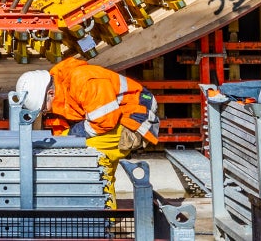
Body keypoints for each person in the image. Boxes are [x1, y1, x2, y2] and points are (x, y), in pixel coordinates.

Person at [15, 59, 160, 201]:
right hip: (114, 117)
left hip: (135, 114)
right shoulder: (61, 90)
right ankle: (105, 213)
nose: (45, 112)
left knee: (90, 154)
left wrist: (71, 138)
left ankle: (102, 214)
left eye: (44, 109)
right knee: (99, 165)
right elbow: (63, 133)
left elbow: (104, 121)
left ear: (51, 93)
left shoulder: (84, 81)